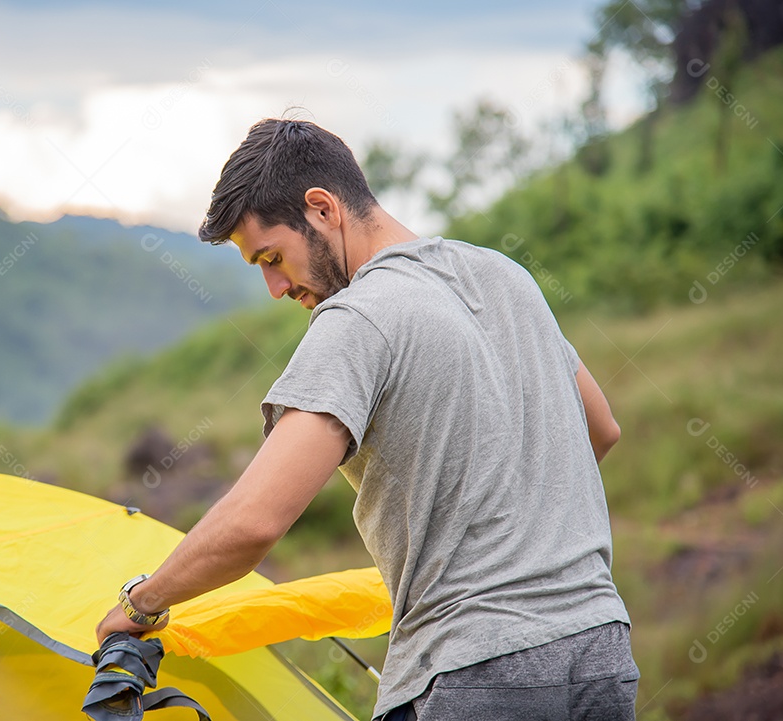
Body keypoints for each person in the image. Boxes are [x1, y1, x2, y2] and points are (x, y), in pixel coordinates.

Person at [95, 118, 638, 720]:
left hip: (474, 667)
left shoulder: (358, 318)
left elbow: (254, 521)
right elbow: (600, 430)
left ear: (323, 209)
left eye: (273, 257)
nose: (275, 286)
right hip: (601, 649)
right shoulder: (506, 277)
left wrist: (142, 604)